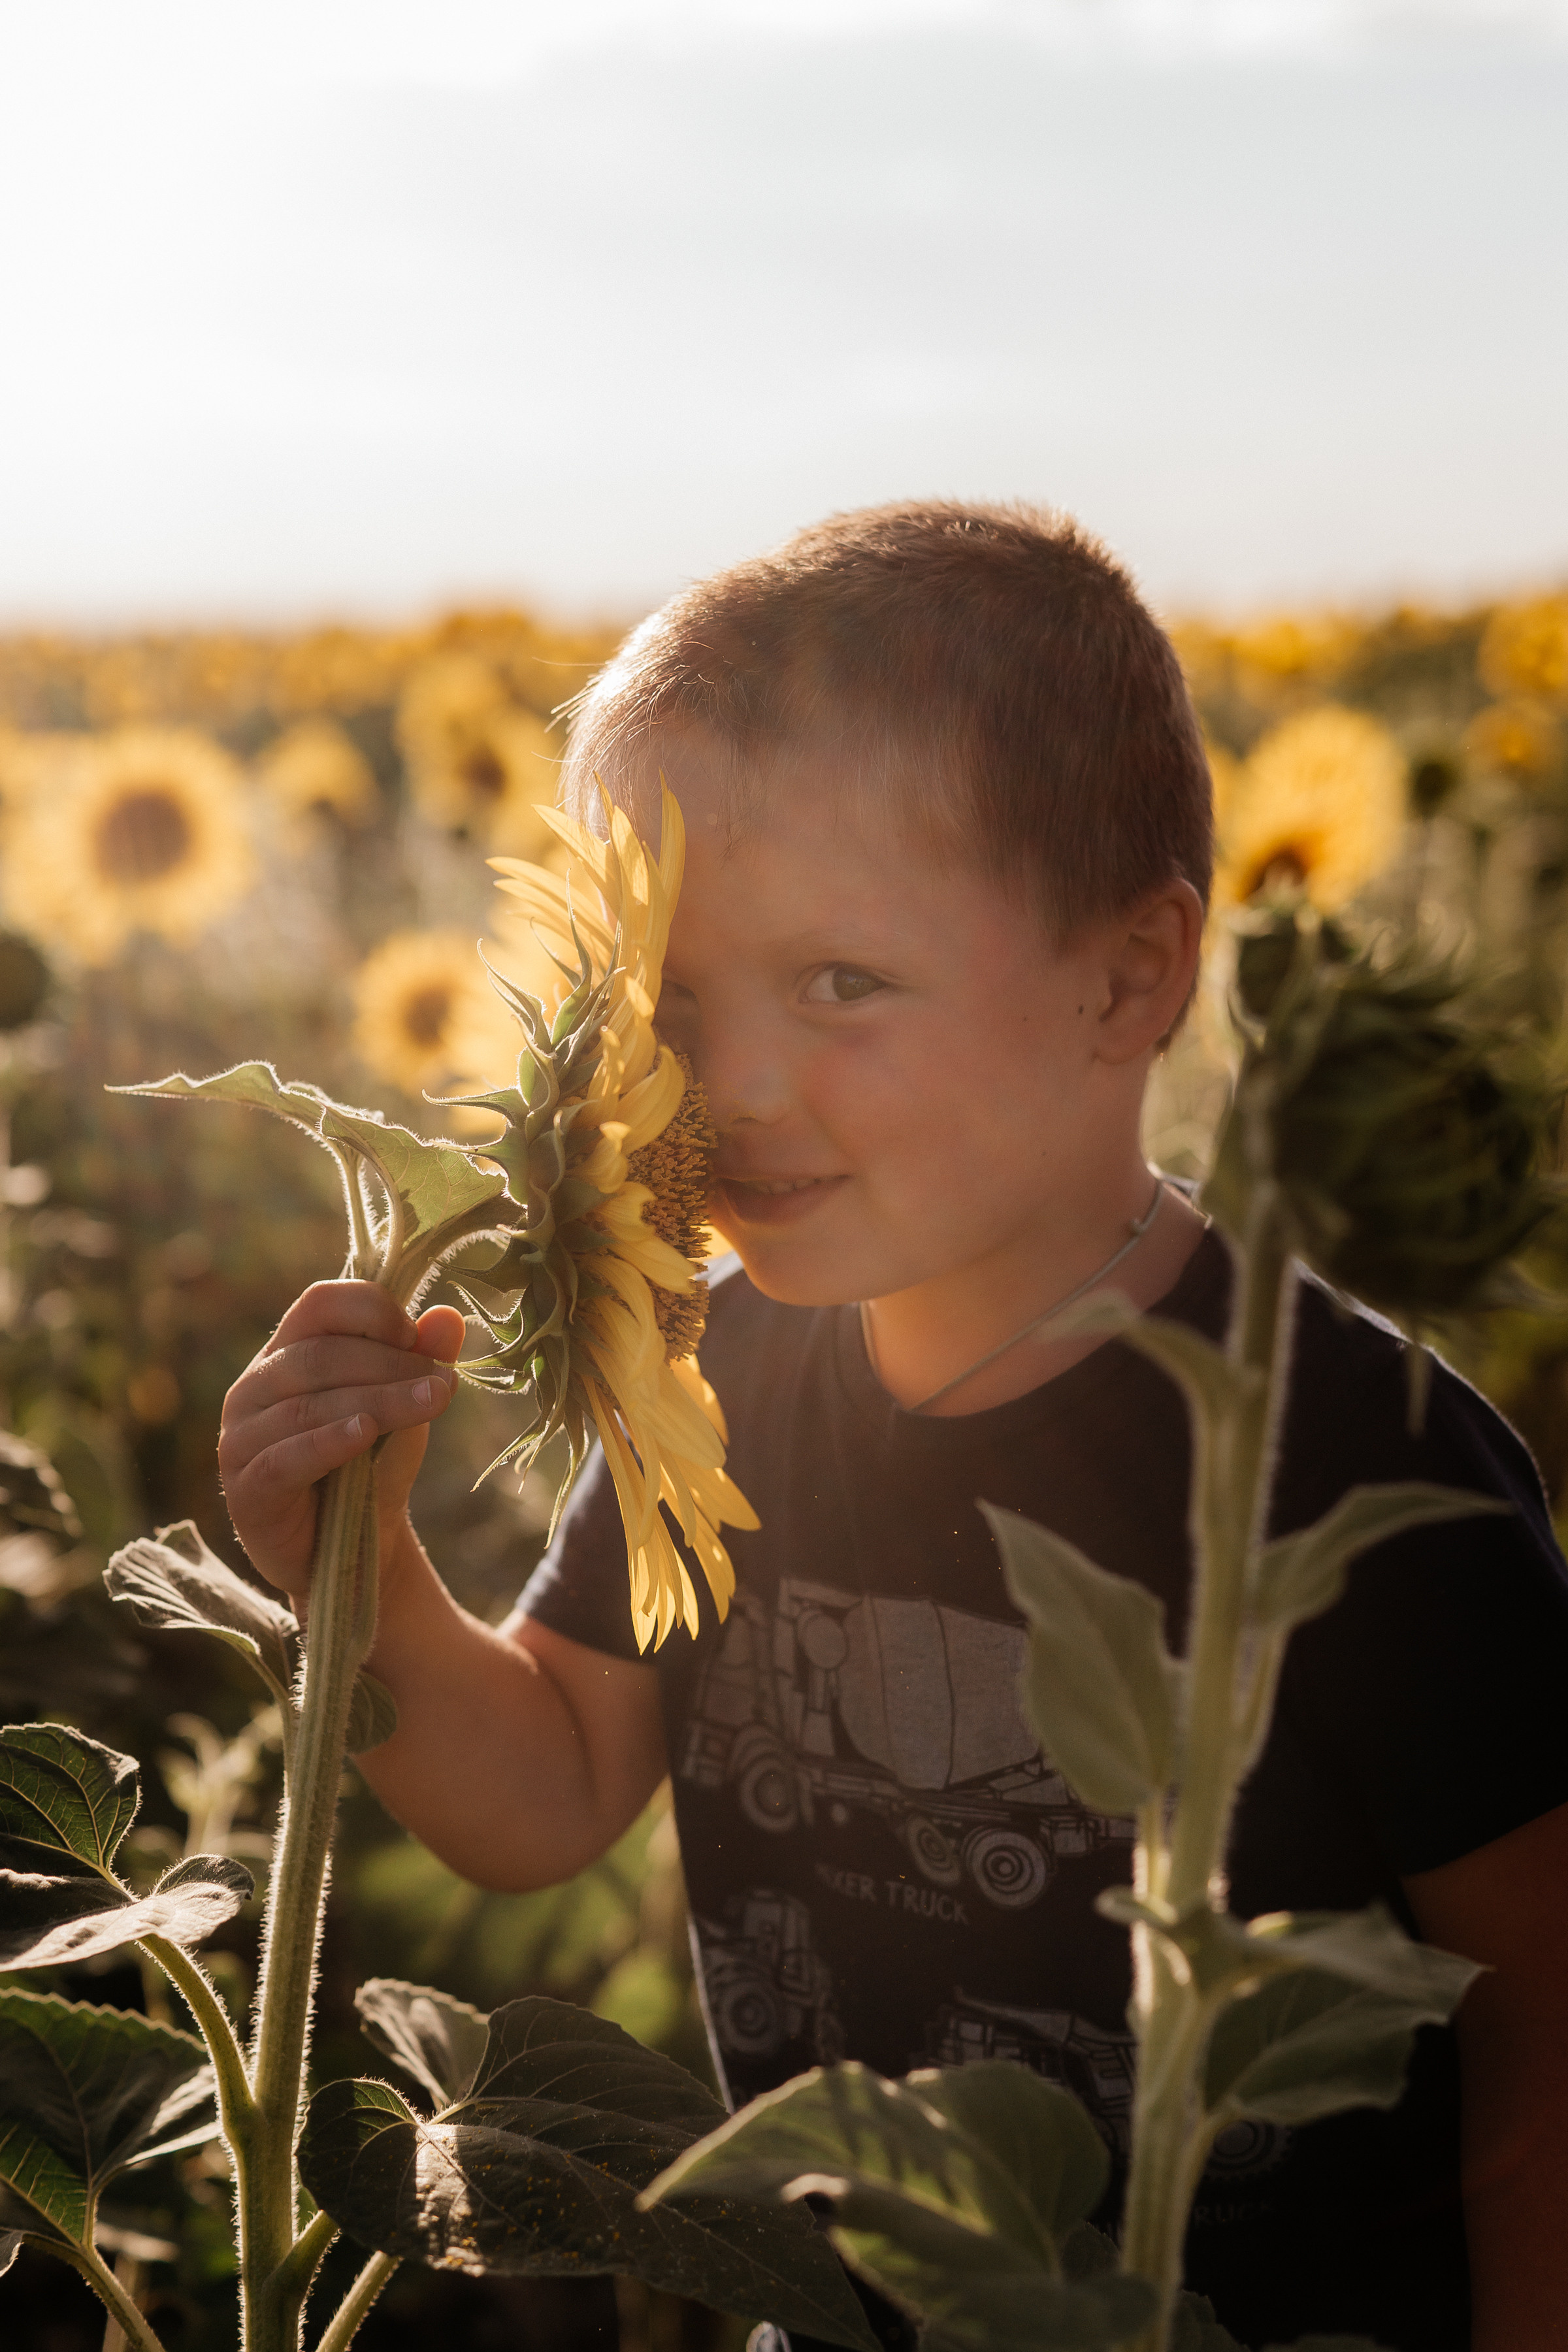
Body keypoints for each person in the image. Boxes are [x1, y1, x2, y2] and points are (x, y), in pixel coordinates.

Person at [219, 503, 1568, 2352]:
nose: (733, 1085)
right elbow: (543, 1785)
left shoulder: (1360, 1471)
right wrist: (350, 1566)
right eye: (673, 998)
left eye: (839, 984)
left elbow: (1549, 2026)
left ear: (1127, 978)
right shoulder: (725, 1368)